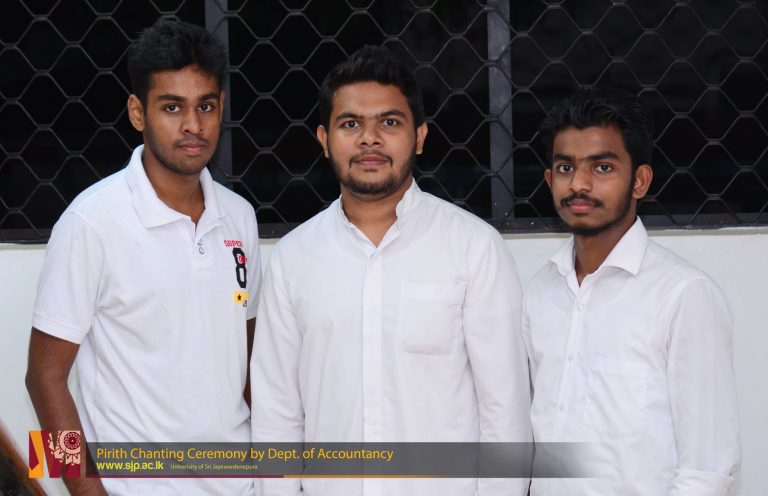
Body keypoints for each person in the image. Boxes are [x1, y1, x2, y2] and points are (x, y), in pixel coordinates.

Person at [250, 45, 531, 495]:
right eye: (350, 124)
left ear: (419, 136)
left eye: (390, 122)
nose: (370, 139)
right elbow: (277, 415)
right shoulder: (293, 258)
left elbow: (505, 412)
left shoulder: (474, 248)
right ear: (324, 139)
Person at [26, 19, 260, 496]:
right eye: (172, 107)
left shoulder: (240, 217)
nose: (193, 125)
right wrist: (86, 492)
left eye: (205, 106)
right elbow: (42, 379)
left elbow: (251, 367)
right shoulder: (91, 222)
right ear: (138, 112)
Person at [524, 87, 740, 495]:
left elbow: (706, 469)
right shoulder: (542, 292)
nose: (579, 184)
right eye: (566, 167)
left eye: (602, 167)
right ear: (550, 180)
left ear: (639, 181)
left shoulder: (683, 296)